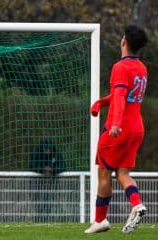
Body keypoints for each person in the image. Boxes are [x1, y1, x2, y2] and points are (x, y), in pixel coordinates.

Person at [85, 25, 148, 234]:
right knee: (123, 172)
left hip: (119, 128)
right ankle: (137, 204)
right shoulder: (141, 68)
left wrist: (115, 124)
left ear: (123, 42)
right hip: (136, 128)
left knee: (103, 170)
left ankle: (100, 219)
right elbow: (122, 94)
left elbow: (120, 98)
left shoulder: (120, 67)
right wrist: (101, 103)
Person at [29, 139, 65, 222]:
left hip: (51, 184)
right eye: (46, 148)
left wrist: (52, 170)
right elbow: (32, 166)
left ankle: (44, 220)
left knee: (48, 203)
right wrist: (43, 170)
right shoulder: (36, 154)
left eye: (49, 148)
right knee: (38, 203)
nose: (47, 150)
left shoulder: (56, 155)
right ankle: (38, 220)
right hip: (37, 184)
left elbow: (62, 167)